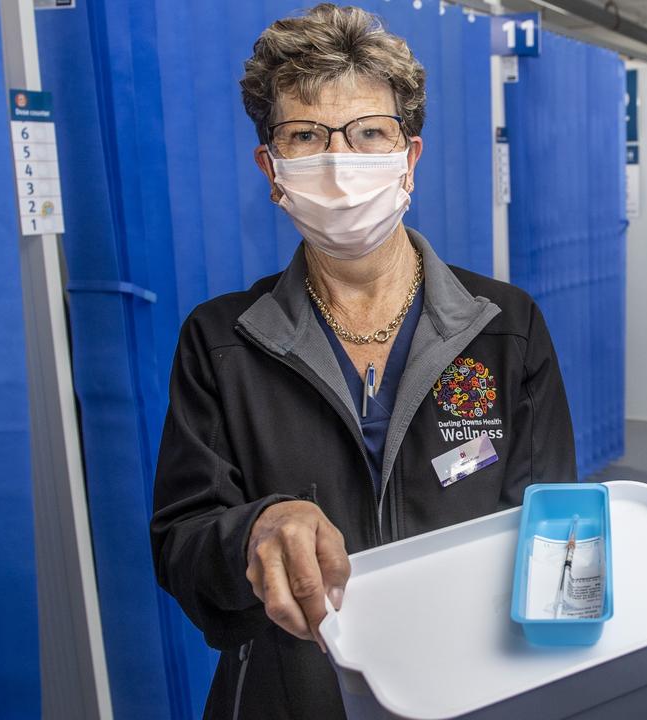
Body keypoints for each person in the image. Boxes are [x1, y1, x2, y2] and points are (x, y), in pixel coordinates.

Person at [149, 6, 576, 717]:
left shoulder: (505, 327)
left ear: (409, 155)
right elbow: (180, 545)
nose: (340, 161)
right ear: (273, 167)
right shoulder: (221, 342)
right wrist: (253, 529)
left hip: (470, 689)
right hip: (293, 696)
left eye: (369, 133)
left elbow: (556, 530)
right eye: (306, 135)